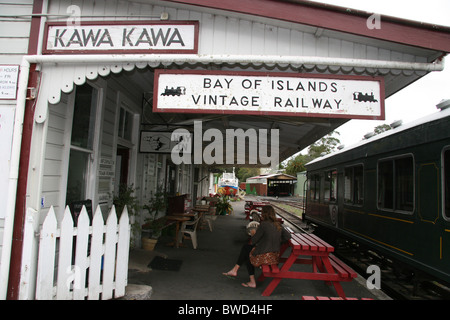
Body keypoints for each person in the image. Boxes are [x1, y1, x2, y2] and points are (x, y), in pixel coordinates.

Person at [222, 205, 291, 288]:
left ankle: (240, 273)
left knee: (248, 252)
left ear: (264, 214)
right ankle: (236, 271)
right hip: (274, 257)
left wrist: (253, 233)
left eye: (262, 213)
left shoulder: (264, 225)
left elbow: (254, 241)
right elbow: (288, 236)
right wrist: (279, 241)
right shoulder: (278, 225)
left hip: (265, 257)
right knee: (248, 250)